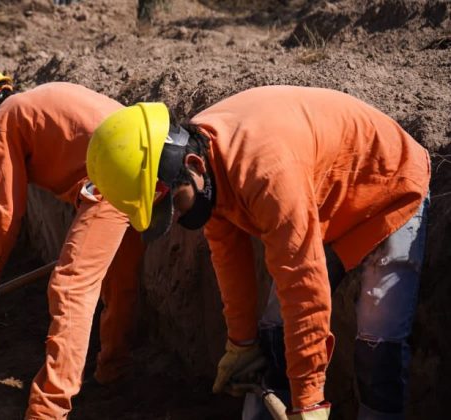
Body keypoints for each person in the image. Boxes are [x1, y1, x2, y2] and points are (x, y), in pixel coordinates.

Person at [86, 86, 430, 419]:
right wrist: (242, 342)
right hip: (324, 201)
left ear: (193, 165)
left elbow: (303, 287)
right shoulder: (206, 156)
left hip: (389, 186)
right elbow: (227, 254)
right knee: (274, 335)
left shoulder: (265, 171)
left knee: (376, 344)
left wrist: (308, 403)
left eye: (173, 204)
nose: (176, 220)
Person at [0, 62, 144, 419]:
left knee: (70, 287)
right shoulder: (36, 101)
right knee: (118, 279)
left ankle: (47, 412)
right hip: (147, 166)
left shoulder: (0, 123)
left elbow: (5, 212)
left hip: (112, 179)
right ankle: (114, 369)